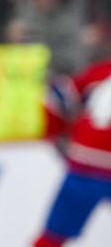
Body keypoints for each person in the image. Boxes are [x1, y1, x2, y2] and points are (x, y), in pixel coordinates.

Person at [33, 60, 111, 246]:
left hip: (83, 164)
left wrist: (55, 131)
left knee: (53, 235)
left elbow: (56, 97)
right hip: (92, 162)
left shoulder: (99, 71)